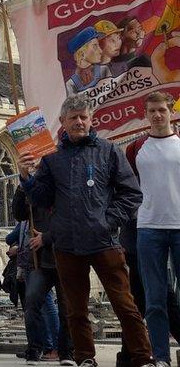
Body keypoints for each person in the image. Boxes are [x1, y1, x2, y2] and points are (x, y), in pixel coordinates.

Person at [19, 94, 154, 367]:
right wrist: (25, 178)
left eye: (84, 117)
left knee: (125, 306)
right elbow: (42, 200)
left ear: (91, 120)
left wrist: (108, 221)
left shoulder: (108, 150)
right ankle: (84, 358)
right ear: (63, 122)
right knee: (75, 309)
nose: (80, 122)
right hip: (67, 245)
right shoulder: (51, 158)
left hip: (104, 241)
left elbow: (131, 193)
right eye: (74, 118)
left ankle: (143, 358)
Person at [126, 91, 180, 366]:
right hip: (148, 228)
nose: (157, 115)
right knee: (154, 297)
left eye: (161, 110)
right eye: (151, 111)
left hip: (179, 225)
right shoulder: (136, 148)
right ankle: (161, 356)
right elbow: (128, 188)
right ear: (144, 115)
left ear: (170, 111)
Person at [11, 181, 74, 365]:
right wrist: (22, 187)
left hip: (64, 257)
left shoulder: (65, 189)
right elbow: (19, 214)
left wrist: (45, 238)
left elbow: (71, 221)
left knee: (66, 308)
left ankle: (66, 351)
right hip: (40, 261)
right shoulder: (35, 194)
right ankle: (34, 349)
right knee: (31, 303)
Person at [64, 27, 111, 95]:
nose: (100, 51)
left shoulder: (104, 70)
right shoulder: (71, 84)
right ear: (82, 54)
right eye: (95, 46)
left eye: (98, 45)